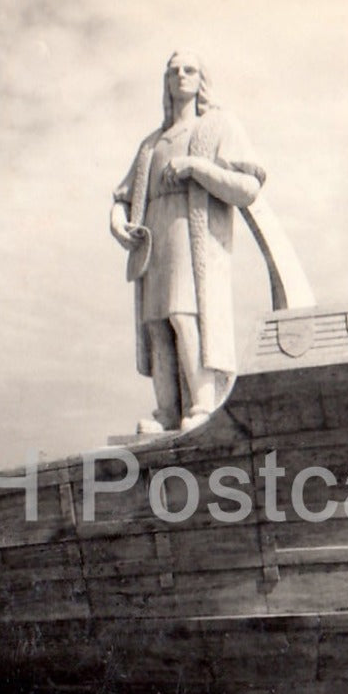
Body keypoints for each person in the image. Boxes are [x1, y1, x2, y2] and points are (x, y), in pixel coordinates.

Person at [110, 51, 265, 433]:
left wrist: (197, 168)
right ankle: (166, 409)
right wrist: (118, 224)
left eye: (189, 70)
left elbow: (249, 187)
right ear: (165, 82)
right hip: (155, 236)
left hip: (192, 233)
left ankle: (201, 402)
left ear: (201, 81)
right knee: (157, 324)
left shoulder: (218, 126)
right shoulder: (152, 144)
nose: (181, 76)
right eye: (173, 71)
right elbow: (123, 197)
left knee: (185, 315)